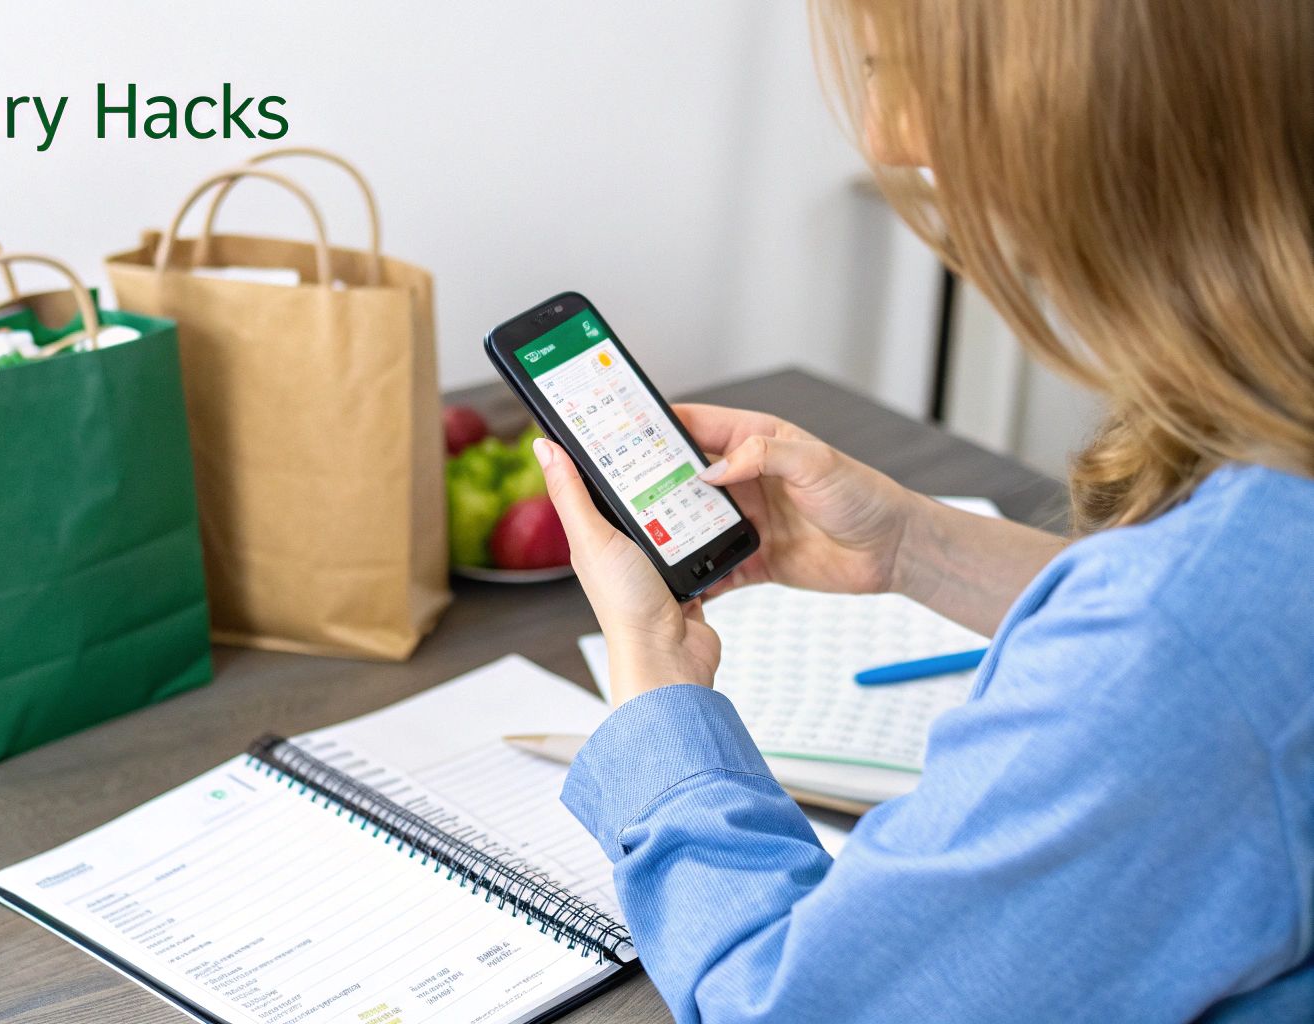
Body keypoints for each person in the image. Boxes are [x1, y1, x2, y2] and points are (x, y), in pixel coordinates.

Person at [537, 2, 1314, 1021]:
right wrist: (911, 545)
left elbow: (787, 1007)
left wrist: (652, 690)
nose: (888, 138)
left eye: (907, 70)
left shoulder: (1178, 636)